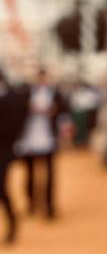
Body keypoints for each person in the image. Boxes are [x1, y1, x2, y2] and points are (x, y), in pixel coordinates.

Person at [14, 67, 66, 220]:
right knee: (29, 173)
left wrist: (54, 111)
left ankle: (49, 206)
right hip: (30, 139)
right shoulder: (26, 94)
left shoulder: (55, 94)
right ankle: (31, 202)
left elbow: (63, 110)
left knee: (50, 174)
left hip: (48, 138)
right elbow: (18, 110)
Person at [0, 70, 30, 244]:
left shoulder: (11, 100)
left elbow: (13, 127)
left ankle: (12, 222)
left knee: (1, 188)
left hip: (3, 152)